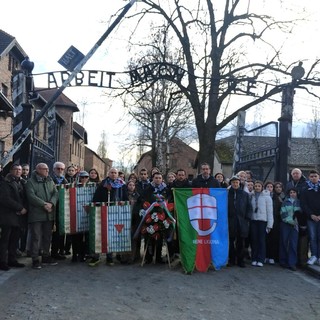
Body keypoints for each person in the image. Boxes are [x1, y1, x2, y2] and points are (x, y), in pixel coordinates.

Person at [90, 168, 128, 266]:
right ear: (108, 173)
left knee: (111, 234)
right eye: (111, 172)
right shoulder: (103, 184)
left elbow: (126, 198)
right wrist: (97, 206)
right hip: (103, 211)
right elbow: (96, 197)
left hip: (116, 212)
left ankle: (109, 257)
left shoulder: (122, 184)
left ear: (117, 174)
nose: (113, 174)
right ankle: (96, 257)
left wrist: (124, 202)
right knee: (100, 233)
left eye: (115, 173)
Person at [25, 163, 58, 269]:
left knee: (47, 237)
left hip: (49, 214)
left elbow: (55, 193)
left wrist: (51, 203)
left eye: (48, 169)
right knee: (36, 237)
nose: (47, 171)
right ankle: (35, 259)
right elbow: (31, 196)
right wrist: (43, 204)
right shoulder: (31, 182)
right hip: (37, 214)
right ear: (38, 169)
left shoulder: (49, 180)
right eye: (45, 169)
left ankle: (45, 256)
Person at [0, 164, 28, 271]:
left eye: (20, 170)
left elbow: (26, 198)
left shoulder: (23, 182)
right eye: (16, 169)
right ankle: (2, 261)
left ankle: (12, 259)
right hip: (8, 215)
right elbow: (5, 198)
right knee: (5, 240)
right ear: (11, 170)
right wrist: (20, 208)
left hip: (20, 216)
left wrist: (24, 208)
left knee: (15, 239)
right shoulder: (5, 182)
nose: (18, 171)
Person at [227, 175, 252, 268]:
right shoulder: (227, 193)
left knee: (241, 242)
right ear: (231, 183)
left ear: (239, 183)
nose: (235, 184)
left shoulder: (244, 194)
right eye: (233, 182)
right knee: (230, 241)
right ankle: (232, 259)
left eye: (237, 182)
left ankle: (241, 260)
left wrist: (247, 218)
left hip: (242, 221)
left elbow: (249, 207)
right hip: (230, 220)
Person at [286, 167, 308, 266]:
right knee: (292, 238)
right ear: (291, 175)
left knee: (303, 237)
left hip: (302, 213)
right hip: (291, 214)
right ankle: (292, 260)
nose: (295, 175)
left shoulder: (306, 184)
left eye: (297, 173)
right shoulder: (289, 184)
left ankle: (302, 259)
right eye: (294, 173)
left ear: (301, 174)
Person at [250, 180, 273, 267]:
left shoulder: (267, 197)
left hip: (263, 221)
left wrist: (270, 225)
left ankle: (261, 259)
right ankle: (254, 258)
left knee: (261, 241)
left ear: (262, 187)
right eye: (256, 186)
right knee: (254, 240)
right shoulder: (251, 196)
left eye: (259, 186)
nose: (257, 188)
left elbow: (269, 211)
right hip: (253, 220)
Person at [300, 169, 320, 266]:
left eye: (315, 176)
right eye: (311, 176)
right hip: (310, 217)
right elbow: (304, 204)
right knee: (312, 237)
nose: (313, 178)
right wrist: (311, 215)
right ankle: (314, 255)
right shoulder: (305, 189)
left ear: (318, 177)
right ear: (309, 177)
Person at [279, 187, 301, 271]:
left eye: (294, 192)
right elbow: (283, 213)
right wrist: (290, 221)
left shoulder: (299, 202)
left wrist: (296, 222)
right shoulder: (285, 202)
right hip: (286, 224)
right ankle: (283, 261)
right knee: (284, 242)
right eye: (291, 192)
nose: (292, 194)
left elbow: (300, 213)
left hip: (295, 226)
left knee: (293, 244)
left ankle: (292, 263)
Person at [50, 161, 68, 260]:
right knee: (51, 232)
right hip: (51, 208)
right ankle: (51, 252)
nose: (60, 170)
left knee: (61, 232)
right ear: (54, 169)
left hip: (62, 209)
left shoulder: (65, 181)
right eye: (58, 168)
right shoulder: (50, 180)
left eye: (62, 169)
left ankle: (59, 251)